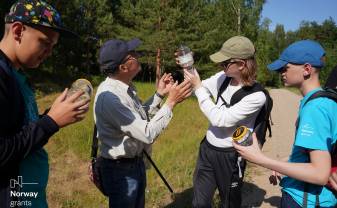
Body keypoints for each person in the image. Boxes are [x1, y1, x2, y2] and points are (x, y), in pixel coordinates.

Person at [0, 0, 90, 207]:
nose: (50, 52)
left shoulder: (17, 76)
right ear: (17, 31)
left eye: (53, 46)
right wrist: (50, 122)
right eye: (44, 42)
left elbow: (18, 132)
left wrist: (53, 115)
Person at [233, 40, 337, 207]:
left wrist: (261, 159)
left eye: (285, 68)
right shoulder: (325, 101)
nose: (280, 72)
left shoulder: (315, 108)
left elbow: (320, 173)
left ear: (307, 69)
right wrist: (287, 161)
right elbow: (322, 151)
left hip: (304, 200)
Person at [93, 38, 192, 208]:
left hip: (132, 165)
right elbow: (146, 133)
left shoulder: (124, 87)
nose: (138, 56)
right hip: (120, 172)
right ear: (123, 67)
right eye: (133, 55)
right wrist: (171, 103)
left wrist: (159, 95)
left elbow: (137, 118)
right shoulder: (110, 98)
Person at [183, 36, 266, 208]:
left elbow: (220, 119)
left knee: (229, 203)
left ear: (241, 64)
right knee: (199, 202)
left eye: (224, 63)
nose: (220, 66)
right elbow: (198, 87)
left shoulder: (256, 96)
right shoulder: (224, 77)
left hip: (230, 155)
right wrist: (189, 67)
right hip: (208, 149)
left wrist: (198, 87)